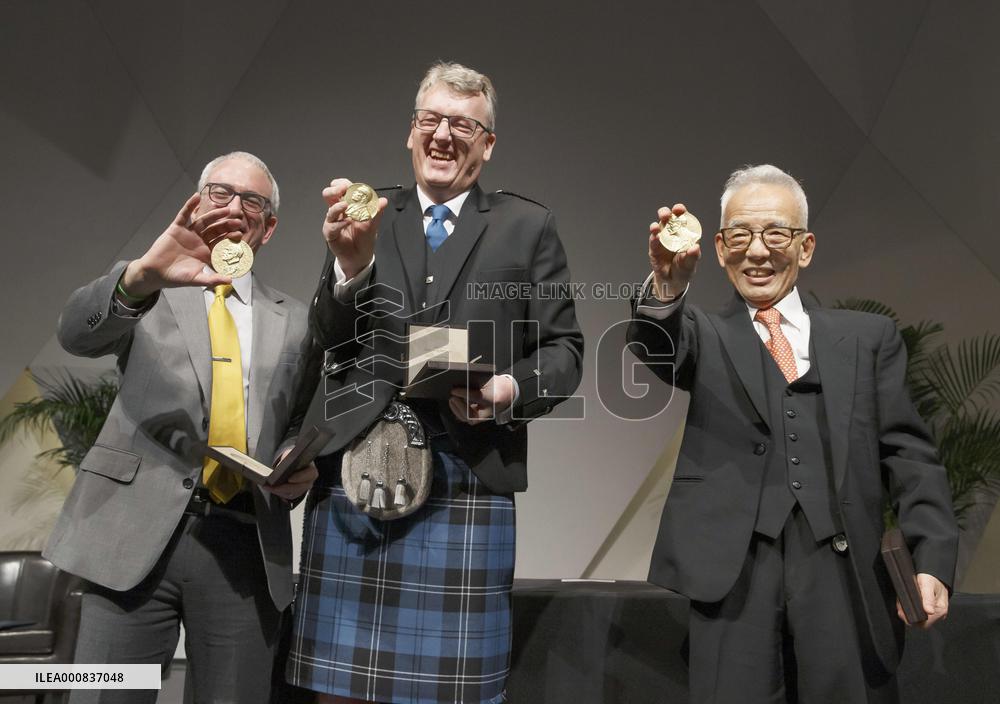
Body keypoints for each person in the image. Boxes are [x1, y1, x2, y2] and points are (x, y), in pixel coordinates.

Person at [287, 62, 584, 704]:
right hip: (354, 472)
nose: (444, 135)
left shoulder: (527, 227)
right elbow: (328, 338)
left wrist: (507, 390)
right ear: (411, 131)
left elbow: (564, 353)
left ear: (489, 143)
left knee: (454, 690)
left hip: (468, 472)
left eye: (464, 124)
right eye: (432, 120)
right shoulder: (364, 216)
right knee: (340, 689)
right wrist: (348, 265)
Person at [627, 164, 958, 703]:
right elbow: (656, 344)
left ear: (805, 248)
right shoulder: (704, 335)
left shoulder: (867, 338)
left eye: (775, 233)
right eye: (741, 235)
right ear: (718, 247)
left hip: (843, 570)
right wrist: (666, 286)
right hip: (734, 577)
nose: (757, 251)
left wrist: (934, 558)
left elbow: (910, 455)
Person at [45, 151, 319, 704]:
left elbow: (298, 418)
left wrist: (297, 460)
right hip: (128, 536)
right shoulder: (151, 287)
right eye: (220, 193)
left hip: (243, 542)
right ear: (196, 203)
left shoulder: (296, 319)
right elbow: (76, 334)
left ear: (269, 227)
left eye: (253, 201)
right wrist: (141, 276)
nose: (235, 208)